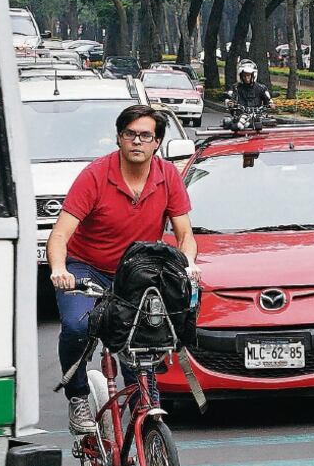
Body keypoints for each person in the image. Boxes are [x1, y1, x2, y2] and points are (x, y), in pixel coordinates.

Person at [47, 104, 200, 435]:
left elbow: (185, 234)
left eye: (145, 135)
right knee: (76, 327)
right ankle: (78, 397)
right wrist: (59, 268)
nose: (137, 141)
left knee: (143, 343)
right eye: (130, 134)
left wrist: (188, 265)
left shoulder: (167, 175)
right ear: (119, 138)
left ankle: (147, 417)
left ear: (157, 142)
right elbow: (60, 234)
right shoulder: (95, 175)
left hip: (137, 274)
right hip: (87, 268)